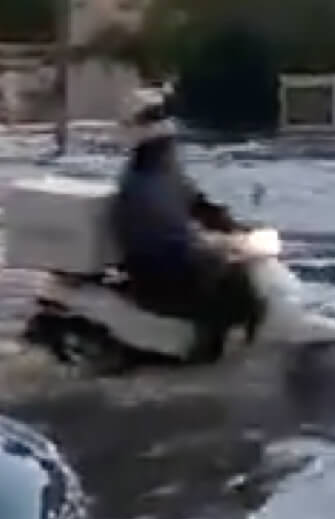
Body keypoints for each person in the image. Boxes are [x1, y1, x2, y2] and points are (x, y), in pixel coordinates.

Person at [111, 89, 266, 362]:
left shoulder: (167, 175)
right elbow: (160, 237)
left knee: (231, 274)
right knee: (231, 287)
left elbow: (198, 204)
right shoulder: (141, 185)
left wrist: (235, 228)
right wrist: (210, 250)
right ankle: (204, 356)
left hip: (175, 261)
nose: (169, 148)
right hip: (158, 271)